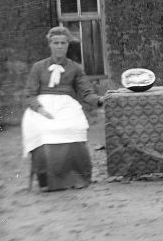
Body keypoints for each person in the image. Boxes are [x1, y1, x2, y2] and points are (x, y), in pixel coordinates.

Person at [21, 26, 105, 191]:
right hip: (41, 106)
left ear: (68, 45)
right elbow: (28, 95)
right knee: (44, 130)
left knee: (74, 126)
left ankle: (77, 177)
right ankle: (47, 180)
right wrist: (40, 109)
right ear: (50, 45)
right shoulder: (38, 67)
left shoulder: (75, 68)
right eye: (56, 43)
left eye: (63, 43)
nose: (59, 46)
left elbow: (86, 93)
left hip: (66, 106)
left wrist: (100, 100)